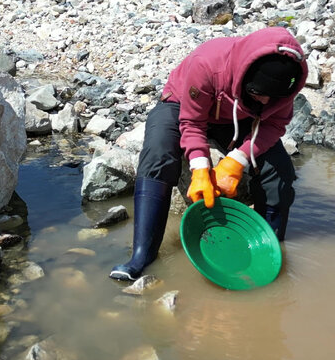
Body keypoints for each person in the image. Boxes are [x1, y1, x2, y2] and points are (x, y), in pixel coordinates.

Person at [110, 26, 307, 282]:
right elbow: (192, 123)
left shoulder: (285, 84)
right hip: (181, 105)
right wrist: (200, 168)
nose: (267, 102)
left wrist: (238, 160)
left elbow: (273, 124)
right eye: (259, 93)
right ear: (245, 79)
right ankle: (142, 254)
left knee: (279, 171)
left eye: (274, 97)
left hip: (241, 116)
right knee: (158, 151)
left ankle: (267, 251)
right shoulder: (208, 63)